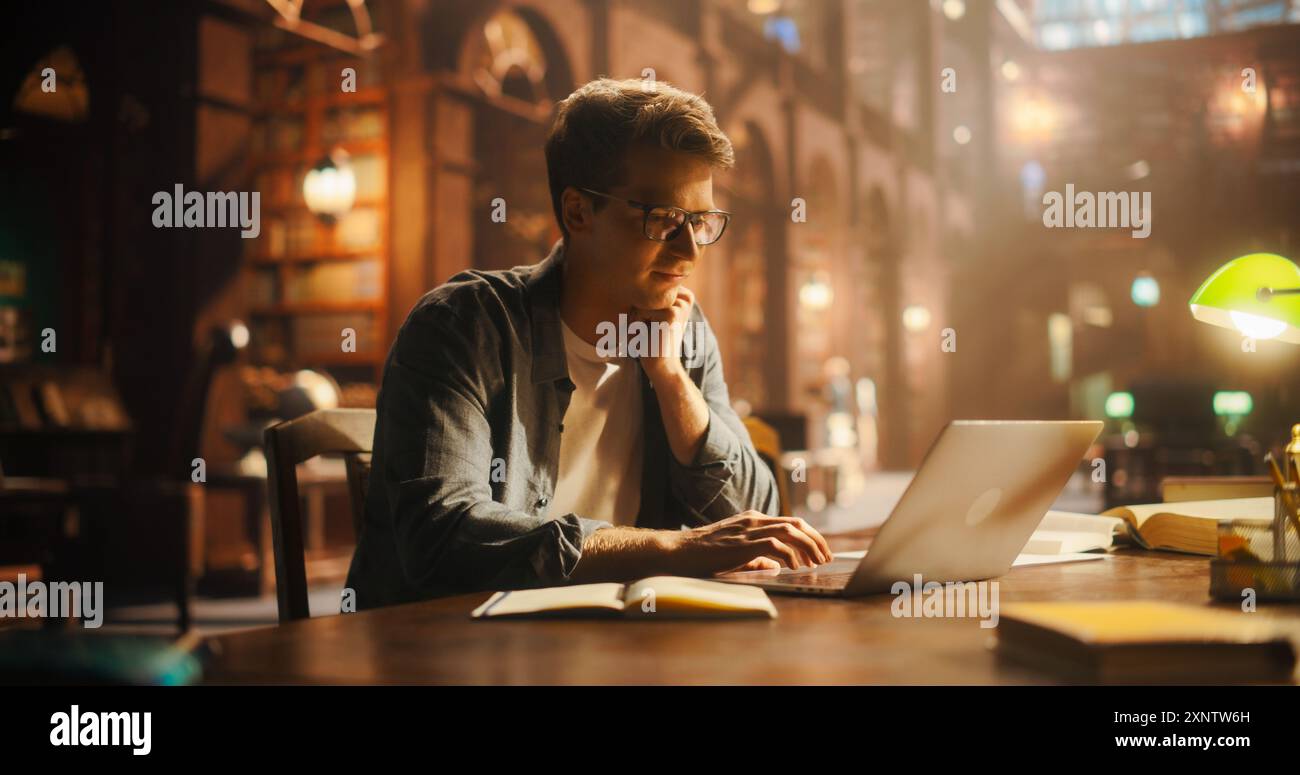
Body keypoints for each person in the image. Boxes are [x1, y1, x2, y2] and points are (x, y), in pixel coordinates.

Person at [346, 78, 831, 609]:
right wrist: (669, 547)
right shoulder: (463, 325)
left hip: (614, 646)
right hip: (443, 650)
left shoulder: (684, 333)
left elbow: (751, 514)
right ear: (579, 212)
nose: (690, 251)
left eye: (702, 222)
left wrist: (668, 376)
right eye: (664, 220)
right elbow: (444, 538)